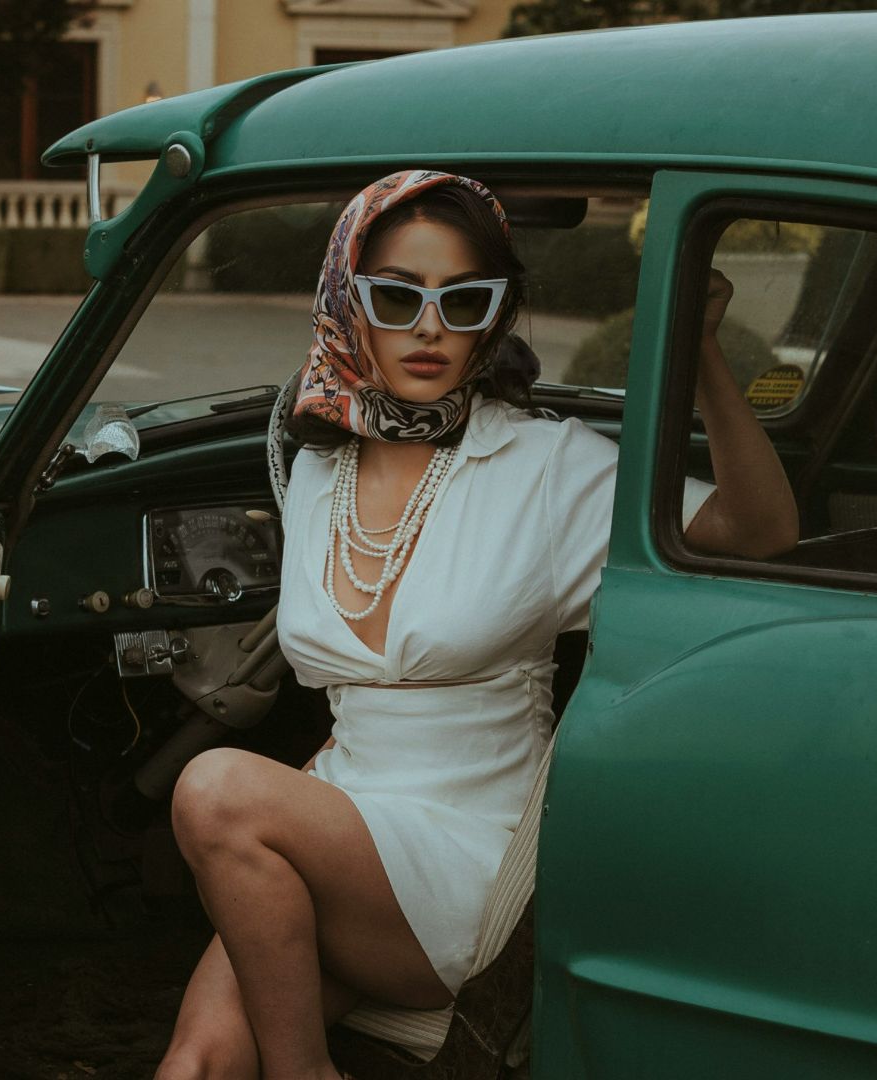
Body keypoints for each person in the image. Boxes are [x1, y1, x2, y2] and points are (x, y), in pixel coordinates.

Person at [155, 171, 797, 1080]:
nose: (428, 326)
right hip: (338, 830)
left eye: (463, 300)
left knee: (213, 788)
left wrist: (702, 355)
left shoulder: (544, 466)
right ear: (347, 301)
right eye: (396, 296)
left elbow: (761, 530)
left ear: (493, 318)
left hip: (472, 871)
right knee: (198, 1062)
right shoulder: (314, 475)